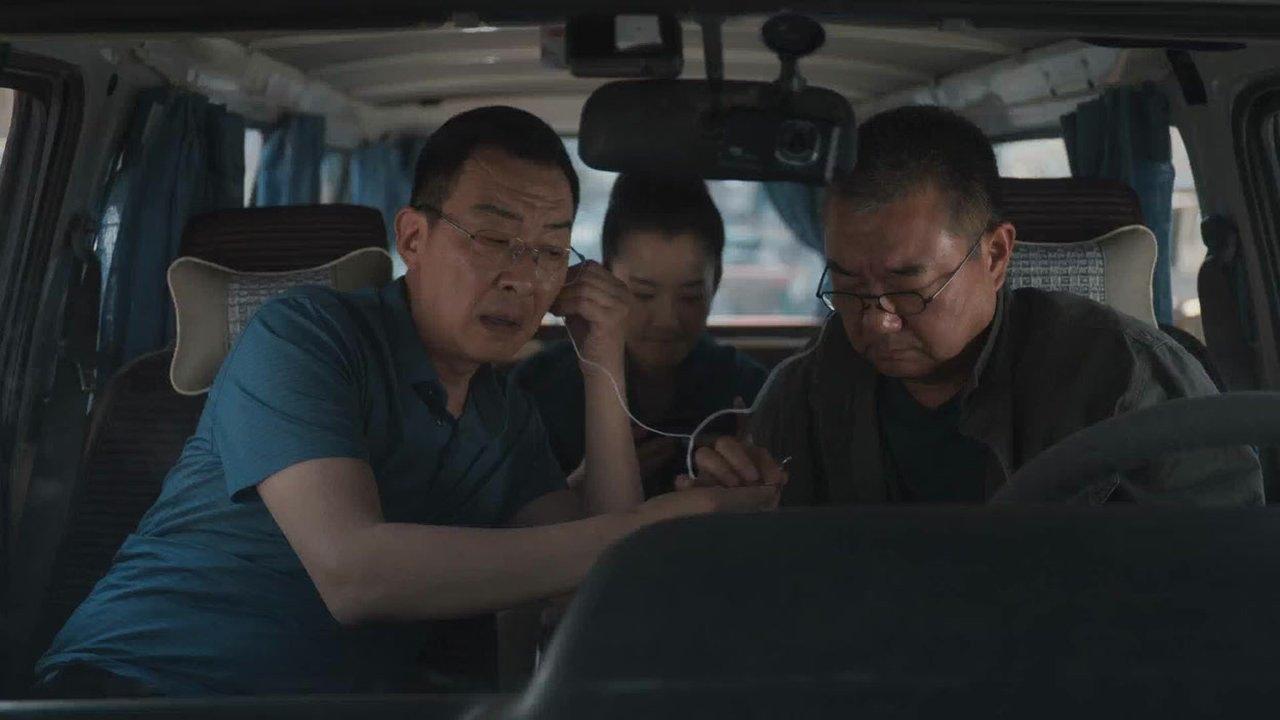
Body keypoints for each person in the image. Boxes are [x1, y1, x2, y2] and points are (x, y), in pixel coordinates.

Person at [36, 107, 779, 697]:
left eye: (552, 250)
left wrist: (602, 362)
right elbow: (355, 574)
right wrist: (664, 520)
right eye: (493, 238)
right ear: (414, 238)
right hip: (137, 689)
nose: (523, 277)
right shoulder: (304, 337)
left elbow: (589, 583)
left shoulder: (504, 416)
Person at [690, 104, 1263, 505]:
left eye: (908, 284)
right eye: (847, 282)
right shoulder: (804, 393)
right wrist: (737, 509)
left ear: (995, 255)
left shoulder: (1125, 379)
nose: (878, 319)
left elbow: (1223, 569)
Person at [512, 173, 767, 497]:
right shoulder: (540, 387)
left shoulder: (748, 391)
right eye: (644, 294)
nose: (667, 321)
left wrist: (749, 482)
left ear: (715, 283)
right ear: (605, 276)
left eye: (690, 297)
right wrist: (582, 485)